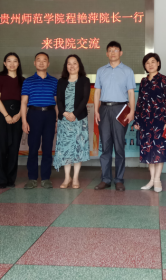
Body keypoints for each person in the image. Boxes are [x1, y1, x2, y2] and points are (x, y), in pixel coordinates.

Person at [94, 41, 136, 192]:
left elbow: (131, 92)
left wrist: (132, 111)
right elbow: (97, 92)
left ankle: (119, 180)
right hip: (104, 109)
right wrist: (96, 110)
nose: (113, 53)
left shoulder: (127, 71)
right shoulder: (101, 71)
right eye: (110, 50)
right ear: (107, 53)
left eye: (115, 50)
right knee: (105, 146)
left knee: (119, 146)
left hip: (121, 109)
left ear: (121, 53)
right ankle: (105, 179)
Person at [134, 53, 166, 193]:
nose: (150, 65)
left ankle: (157, 180)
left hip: (160, 121)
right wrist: (137, 119)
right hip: (145, 121)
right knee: (148, 150)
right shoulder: (144, 81)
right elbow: (140, 101)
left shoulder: (164, 79)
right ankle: (152, 180)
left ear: (158, 63)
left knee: (159, 149)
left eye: (153, 62)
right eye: (147, 63)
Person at [21, 52, 59, 189]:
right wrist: (24, 121)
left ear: (48, 63)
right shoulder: (28, 81)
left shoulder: (54, 81)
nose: (41, 62)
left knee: (47, 148)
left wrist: (57, 121)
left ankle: (45, 178)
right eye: (38, 60)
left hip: (49, 115)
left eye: (44, 60)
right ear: (34, 63)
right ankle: (32, 178)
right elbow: (23, 102)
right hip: (33, 115)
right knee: (33, 147)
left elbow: (56, 103)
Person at [54, 55, 91, 189]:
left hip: (79, 120)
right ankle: (66, 177)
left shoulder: (84, 80)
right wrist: (64, 113)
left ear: (79, 65)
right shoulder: (61, 81)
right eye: (69, 63)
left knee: (78, 148)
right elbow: (58, 100)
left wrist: (74, 114)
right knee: (65, 149)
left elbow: (85, 99)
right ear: (66, 66)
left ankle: (75, 178)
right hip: (64, 120)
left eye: (74, 63)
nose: (72, 66)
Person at [0, 53, 25, 189]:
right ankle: (1, 179)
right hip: (2, 114)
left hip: (18, 114)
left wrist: (19, 115)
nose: (12, 64)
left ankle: (11, 178)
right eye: (9, 61)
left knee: (14, 147)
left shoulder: (23, 80)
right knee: (0, 147)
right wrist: (6, 115)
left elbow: (25, 101)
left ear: (18, 63)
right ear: (4, 63)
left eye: (15, 61)